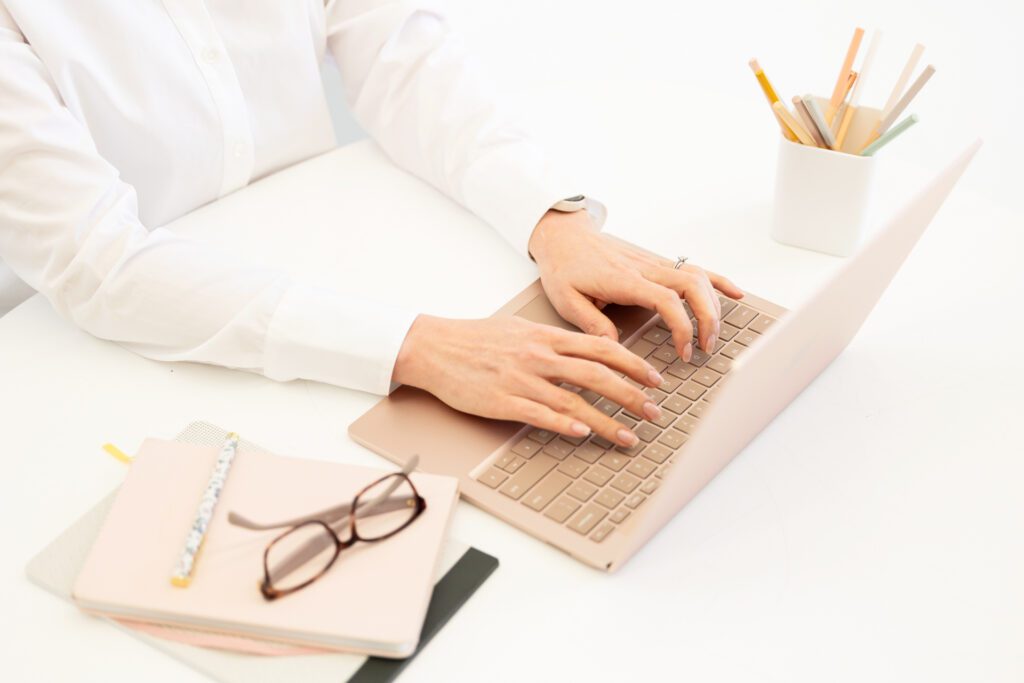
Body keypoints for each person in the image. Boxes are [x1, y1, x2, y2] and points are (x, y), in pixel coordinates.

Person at [0, 0, 742, 448]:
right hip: (131, 364)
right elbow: (99, 264)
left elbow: (402, 58)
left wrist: (553, 220)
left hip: (344, 271)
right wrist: (419, 348)